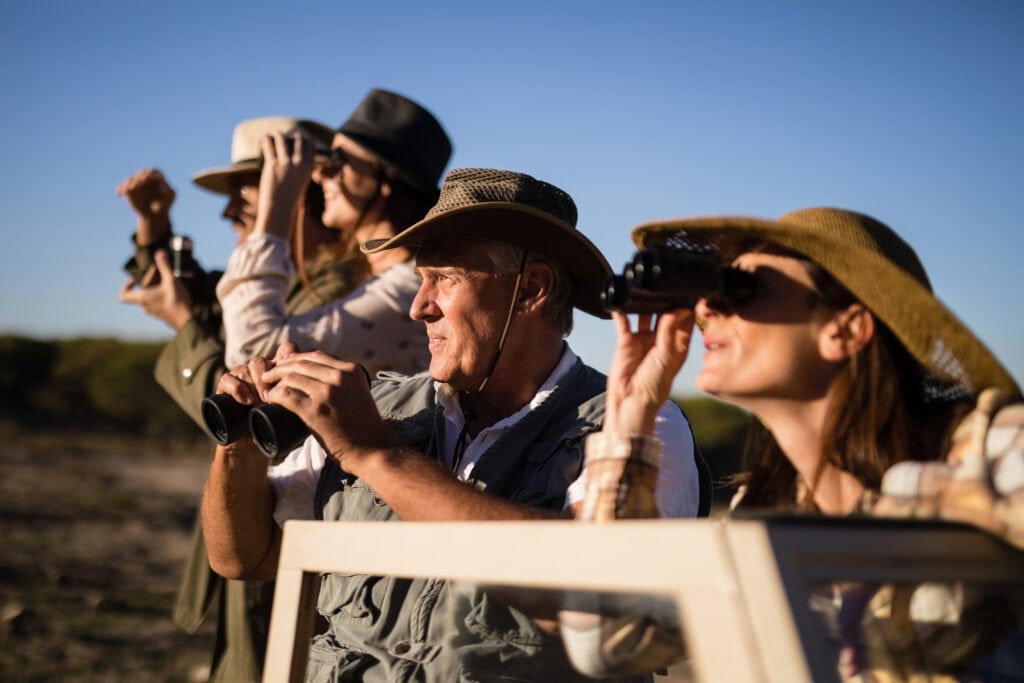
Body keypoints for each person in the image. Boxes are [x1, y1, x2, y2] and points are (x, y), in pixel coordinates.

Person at [200, 168, 708, 681]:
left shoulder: (634, 424)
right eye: (420, 279)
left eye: (444, 280)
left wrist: (375, 456)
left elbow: (600, 595)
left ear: (531, 290)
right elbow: (243, 559)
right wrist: (239, 443)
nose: (419, 307)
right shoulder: (379, 407)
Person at [561, 207, 1023, 680]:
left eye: (746, 290)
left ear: (844, 330)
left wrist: (905, 503)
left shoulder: (989, 447)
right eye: (712, 291)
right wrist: (628, 419)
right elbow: (609, 645)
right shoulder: (764, 509)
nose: (706, 308)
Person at [117, 116, 364, 682]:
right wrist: (154, 232)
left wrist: (184, 326)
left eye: (245, 192)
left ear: (301, 190)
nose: (230, 213)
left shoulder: (344, 294)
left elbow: (245, 397)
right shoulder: (299, 283)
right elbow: (210, 309)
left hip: (284, 561)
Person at [215, 88, 453, 376]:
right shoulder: (369, 278)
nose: (319, 175)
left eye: (337, 163)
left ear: (386, 179)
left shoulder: (405, 294)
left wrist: (274, 216)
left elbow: (253, 350)